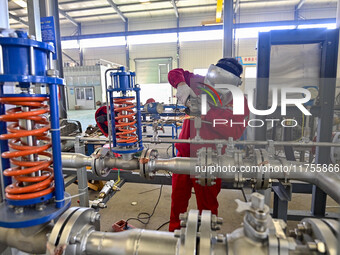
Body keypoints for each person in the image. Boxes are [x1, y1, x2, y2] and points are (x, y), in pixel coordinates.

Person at [167, 58, 249, 232]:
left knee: (208, 206)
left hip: (211, 161)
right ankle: (173, 234)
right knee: (178, 201)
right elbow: (175, 72)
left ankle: (207, 238)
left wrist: (205, 112)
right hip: (184, 155)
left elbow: (234, 132)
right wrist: (181, 84)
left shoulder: (239, 101)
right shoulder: (199, 82)